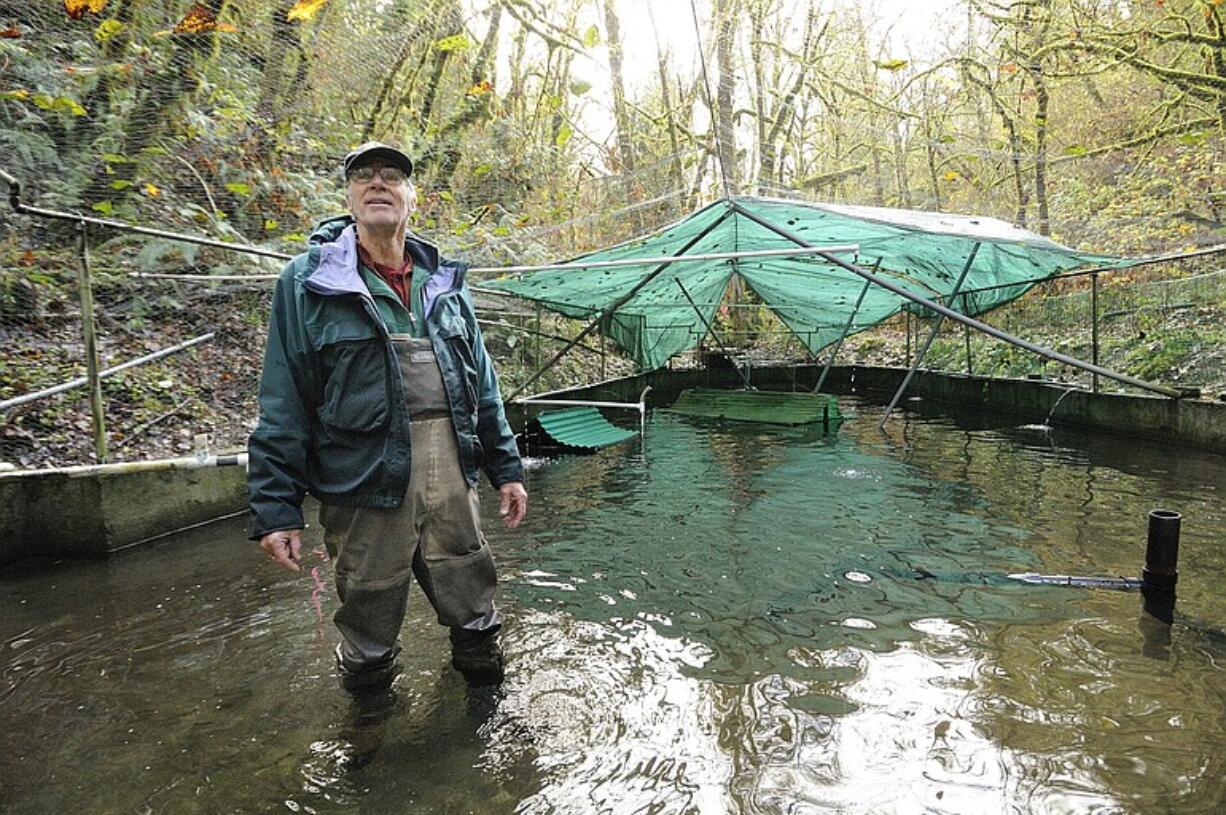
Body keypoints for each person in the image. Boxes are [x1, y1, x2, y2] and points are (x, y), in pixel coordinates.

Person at [247, 141, 527, 692]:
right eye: (364, 176)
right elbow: (283, 399)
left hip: (451, 478)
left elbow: (484, 383)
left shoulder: (445, 285)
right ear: (349, 197)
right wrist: (276, 508)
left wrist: (507, 467)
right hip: (363, 483)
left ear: (411, 197)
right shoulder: (306, 284)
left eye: (392, 176)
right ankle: (369, 736)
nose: (379, 183)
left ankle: (483, 716)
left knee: (474, 604)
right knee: (368, 622)